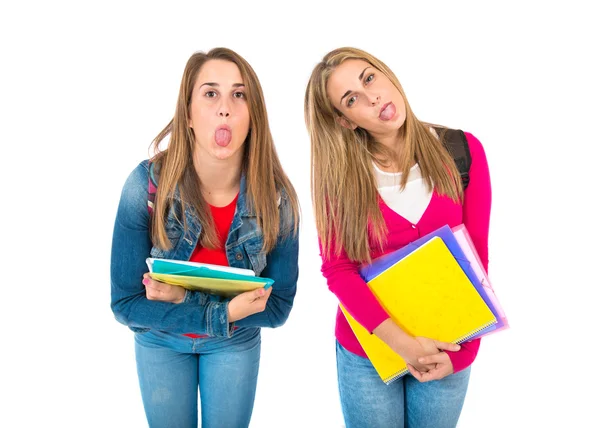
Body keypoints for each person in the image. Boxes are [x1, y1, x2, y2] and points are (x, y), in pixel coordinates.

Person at [110, 47, 300, 428]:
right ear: (189, 114)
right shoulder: (146, 185)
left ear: (253, 116)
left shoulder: (277, 198)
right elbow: (125, 303)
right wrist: (224, 312)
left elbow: (277, 308)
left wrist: (184, 298)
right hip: (160, 341)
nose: (225, 107)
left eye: (239, 94)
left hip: (234, 343)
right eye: (211, 93)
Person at [304, 47, 492, 428]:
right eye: (352, 99)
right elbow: (339, 270)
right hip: (369, 353)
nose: (372, 97)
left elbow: (478, 262)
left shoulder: (462, 152)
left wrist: (463, 353)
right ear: (344, 121)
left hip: (447, 344)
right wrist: (402, 344)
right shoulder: (341, 179)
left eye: (369, 77)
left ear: (386, 74)